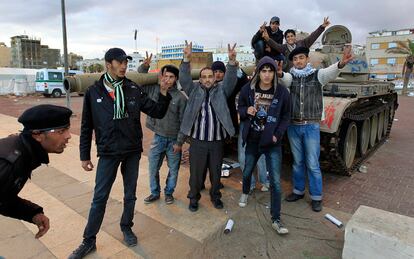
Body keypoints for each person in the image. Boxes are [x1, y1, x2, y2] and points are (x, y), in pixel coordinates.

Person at [69, 48, 171, 258]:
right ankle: (89, 241)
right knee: (99, 198)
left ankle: (126, 227)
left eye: (126, 62)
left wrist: (162, 92)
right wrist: (84, 155)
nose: (124, 65)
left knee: (130, 195)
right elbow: (87, 126)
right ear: (108, 64)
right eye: (120, 62)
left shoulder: (133, 88)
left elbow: (157, 111)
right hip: (108, 152)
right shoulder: (93, 92)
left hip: (132, 151)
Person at [278, 46, 353, 212]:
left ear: (307, 60)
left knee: (312, 163)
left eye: (301, 58)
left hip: (311, 126)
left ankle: (316, 197)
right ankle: (298, 191)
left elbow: (330, 72)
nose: (298, 61)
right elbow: (284, 78)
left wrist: (341, 63)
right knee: (298, 162)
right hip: (294, 126)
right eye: (295, 59)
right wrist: (279, 73)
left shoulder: (317, 75)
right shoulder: (291, 77)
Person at [180, 41, 238, 212]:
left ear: (214, 78)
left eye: (210, 76)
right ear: (200, 79)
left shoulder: (221, 91)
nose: (207, 79)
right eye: (203, 77)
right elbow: (183, 78)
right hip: (197, 142)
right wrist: (186, 59)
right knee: (196, 174)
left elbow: (231, 79)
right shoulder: (194, 90)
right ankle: (193, 198)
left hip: (216, 142)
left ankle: (215, 196)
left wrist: (232, 62)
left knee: (215, 172)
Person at [0, 104, 72, 239]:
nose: (69, 136)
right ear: (37, 135)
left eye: (67, 129)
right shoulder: (7, 163)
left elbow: (3, 198)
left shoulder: (26, 152)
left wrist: (32, 213)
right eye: (61, 131)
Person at [238, 56, 291, 235]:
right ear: (259, 72)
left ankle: (276, 218)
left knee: (275, 182)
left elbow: (286, 117)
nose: (267, 75)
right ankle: (245, 191)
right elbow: (240, 106)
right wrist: (246, 110)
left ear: (274, 72)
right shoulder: (248, 89)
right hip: (253, 140)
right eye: (263, 71)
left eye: (270, 71)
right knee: (247, 171)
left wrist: (277, 135)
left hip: (272, 143)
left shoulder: (282, 92)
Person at [138, 52, 187, 205]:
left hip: (174, 140)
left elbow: (184, 122)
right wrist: (145, 66)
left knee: (173, 170)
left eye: (171, 77)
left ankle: (169, 193)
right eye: (165, 76)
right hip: (158, 137)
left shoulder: (180, 98)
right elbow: (140, 80)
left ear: (176, 79)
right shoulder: (154, 90)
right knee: (153, 167)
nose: (167, 80)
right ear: (161, 76)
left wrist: (179, 142)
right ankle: (154, 192)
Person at [264, 17, 330, 71]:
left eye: (292, 36)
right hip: (290, 74)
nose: (290, 38)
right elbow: (276, 46)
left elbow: (312, 37)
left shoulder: (302, 43)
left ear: (295, 37)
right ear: (285, 39)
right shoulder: (284, 48)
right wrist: (267, 39)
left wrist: (322, 27)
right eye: (288, 37)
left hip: (303, 72)